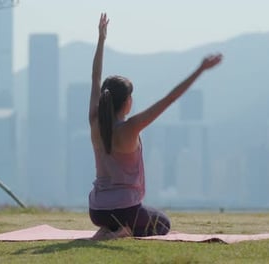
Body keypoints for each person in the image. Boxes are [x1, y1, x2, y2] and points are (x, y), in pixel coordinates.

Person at [88, 13, 223, 240]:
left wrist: (101, 40)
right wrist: (200, 70)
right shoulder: (130, 128)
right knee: (163, 223)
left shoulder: (94, 123)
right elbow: (170, 99)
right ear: (126, 102)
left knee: (123, 217)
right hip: (126, 210)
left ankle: (108, 228)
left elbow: (95, 78)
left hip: (97, 211)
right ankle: (123, 231)